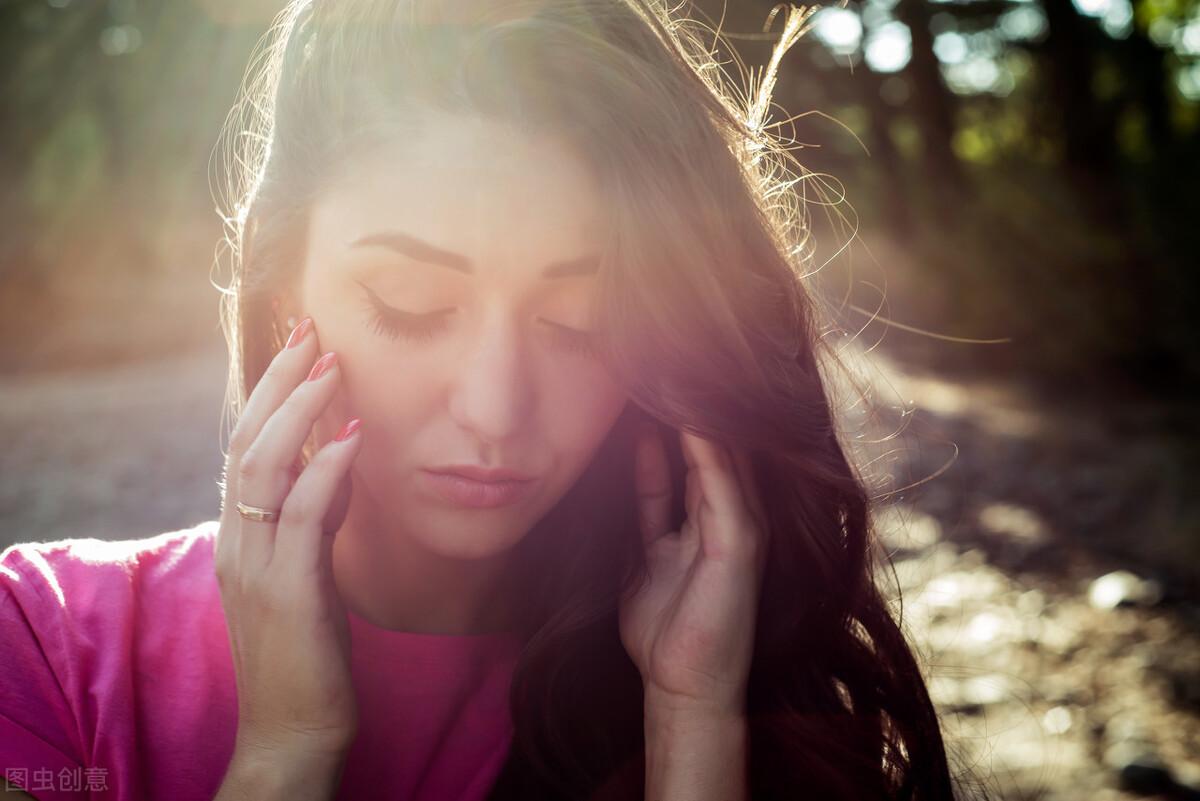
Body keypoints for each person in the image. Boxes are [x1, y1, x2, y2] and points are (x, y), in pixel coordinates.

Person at [0, 0, 980, 799]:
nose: (497, 409)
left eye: (582, 321)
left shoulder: (729, 673)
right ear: (282, 291)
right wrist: (286, 752)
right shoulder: (41, 644)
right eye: (411, 304)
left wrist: (691, 730)